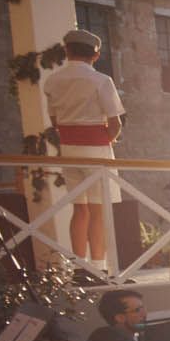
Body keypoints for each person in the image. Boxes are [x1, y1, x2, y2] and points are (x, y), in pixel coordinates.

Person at [39, 28, 126, 265]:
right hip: (96, 148)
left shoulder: (53, 80)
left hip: (69, 148)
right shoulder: (101, 80)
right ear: (95, 55)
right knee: (98, 210)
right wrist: (107, 139)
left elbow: (55, 121)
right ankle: (98, 267)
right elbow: (115, 123)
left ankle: (79, 266)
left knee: (79, 209)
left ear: (67, 51)